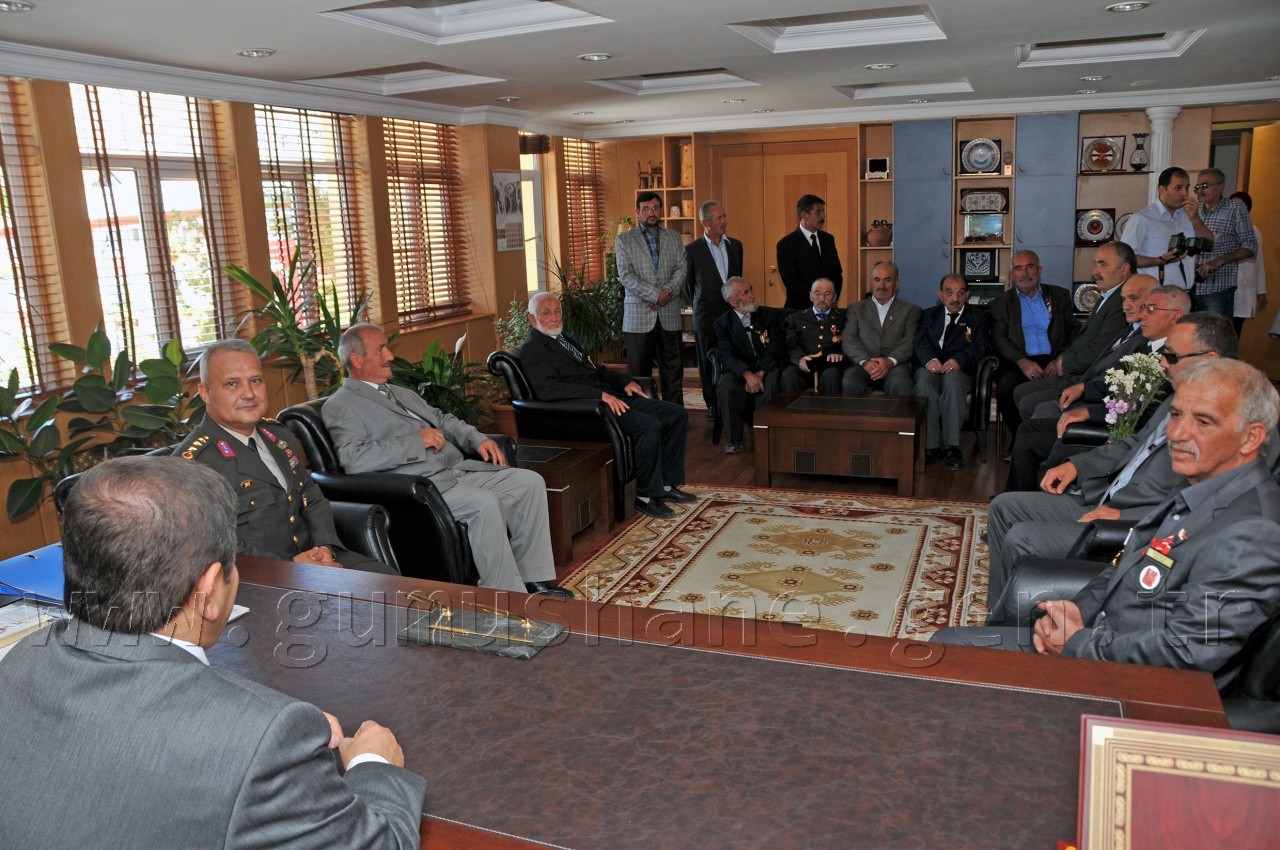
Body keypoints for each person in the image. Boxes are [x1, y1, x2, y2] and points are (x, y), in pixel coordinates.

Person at [0, 456, 426, 848]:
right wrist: (374, 765)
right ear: (208, 591)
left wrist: (268, 723)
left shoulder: (19, 662)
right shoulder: (263, 742)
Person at [937, 359, 1280, 694]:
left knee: (947, 653)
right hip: (1100, 642)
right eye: (1176, 415)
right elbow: (1126, 564)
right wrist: (1078, 608)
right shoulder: (1205, 487)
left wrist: (1077, 645)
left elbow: (1189, 651)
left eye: (1203, 422)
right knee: (946, 646)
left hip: (1126, 683)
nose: (1175, 433)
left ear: (1251, 438)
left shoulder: (1253, 531)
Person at [984, 312, 1241, 609]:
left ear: (1210, 359)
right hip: (1105, 496)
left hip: (1131, 523)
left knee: (1021, 538)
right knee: (1003, 507)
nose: (1162, 363)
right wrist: (1077, 466)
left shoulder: (1226, 423)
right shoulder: (1180, 395)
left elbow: (1202, 505)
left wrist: (1125, 516)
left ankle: (1020, 625)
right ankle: (1000, 613)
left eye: (1171, 356)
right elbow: (1134, 444)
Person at [324, 323, 570, 596]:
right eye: (381, 349)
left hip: (456, 470)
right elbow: (354, 459)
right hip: (423, 487)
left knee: (529, 483)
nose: (390, 355)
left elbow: (442, 419)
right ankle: (504, 596)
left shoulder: (399, 392)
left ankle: (534, 578)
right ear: (357, 360)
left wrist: (477, 439)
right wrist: (417, 441)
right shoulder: (340, 405)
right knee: (485, 504)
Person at [175, 339, 397, 575]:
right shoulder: (191, 466)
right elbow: (209, 546)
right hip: (261, 577)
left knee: (393, 584)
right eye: (232, 384)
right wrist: (291, 567)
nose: (249, 393)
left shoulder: (278, 436)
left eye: (255, 381)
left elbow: (311, 496)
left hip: (318, 559)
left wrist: (324, 545)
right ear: (205, 393)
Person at [520, 292, 693, 520]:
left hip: (610, 397)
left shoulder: (562, 339)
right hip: (590, 410)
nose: (554, 317)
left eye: (557, 311)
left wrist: (625, 381)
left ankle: (666, 485)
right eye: (546, 313)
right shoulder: (533, 349)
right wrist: (600, 395)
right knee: (649, 426)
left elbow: (596, 371)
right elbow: (549, 390)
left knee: (676, 414)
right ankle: (645, 497)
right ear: (532, 319)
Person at [1003, 284, 1188, 492]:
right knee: (1027, 428)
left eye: (1151, 309)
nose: (1143, 314)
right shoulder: (1147, 346)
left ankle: (1025, 500)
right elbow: (1117, 383)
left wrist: (1089, 412)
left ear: (1176, 316)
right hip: (1108, 413)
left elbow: (1143, 413)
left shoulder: (1172, 359)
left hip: (1119, 435)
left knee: (1029, 442)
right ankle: (1015, 496)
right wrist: (1085, 389)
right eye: (1144, 307)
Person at [1010, 242, 1135, 422]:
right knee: (1019, 392)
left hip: (1086, 376)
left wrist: (1063, 363)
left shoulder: (1122, 302)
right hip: (1071, 367)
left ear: (1124, 269)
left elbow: (1099, 349)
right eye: (1095, 263)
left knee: (1029, 402)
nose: (1094, 271)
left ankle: (1039, 435)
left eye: (1102, 264)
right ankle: (1031, 434)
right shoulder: (1108, 296)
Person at [985, 250, 1077, 436]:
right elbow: (999, 338)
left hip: (1054, 358)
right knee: (1006, 387)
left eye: (1030, 267)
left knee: (1074, 381)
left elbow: (1073, 330)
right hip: (1019, 360)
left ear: (1039, 270)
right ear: (1012, 274)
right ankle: (1020, 436)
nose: (1024, 273)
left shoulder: (1060, 296)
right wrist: (1022, 361)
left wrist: (1060, 358)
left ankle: (1053, 436)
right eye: (1018, 268)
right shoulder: (1000, 303)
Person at [615, 191, 688, 405]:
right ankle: (643, 415)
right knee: (639, 374)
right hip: (638, 317)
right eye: (646, 209)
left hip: (669, 314)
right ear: (638, 212)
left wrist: (666, 294)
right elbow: (626, 275)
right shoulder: (624, 240)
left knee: (673, 371)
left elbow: (681, 269)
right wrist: (656, 295)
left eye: (655, 208)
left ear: (661, 210)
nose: (651, 213)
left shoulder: (674, 238)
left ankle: (675, 415)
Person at [913, 273, 989, 471]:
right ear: (940, 295)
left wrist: (959, 361)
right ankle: (930, 447)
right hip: (931, 366)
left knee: (953, 384)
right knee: (923, 383)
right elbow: (919, 341)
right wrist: (930, 360)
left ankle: (952, 447)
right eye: (949, 292)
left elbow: (981, 346)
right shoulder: (928, 315)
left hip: (959, 369)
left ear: (967, 295)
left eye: (960, 293)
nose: (955, 298)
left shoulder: (978, 317)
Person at [713, 277, 786, 454]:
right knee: (726, 385)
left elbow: (776, 346)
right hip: (739, 370)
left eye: (751, 289)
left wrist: (760, 372)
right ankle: (734, 440)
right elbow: (725, 355)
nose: (752, 295)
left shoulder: (769, 315)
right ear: (732, 301)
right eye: (746, 293)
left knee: (772, 382)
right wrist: (747, 374)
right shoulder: (722, 323)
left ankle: (767, 436)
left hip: (766, 367)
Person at [686, 200, 743, 422]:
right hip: (706, 315)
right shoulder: (692, 250)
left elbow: (737, 281)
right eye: (719, 218)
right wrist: (702, 302)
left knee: (733, 356)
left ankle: (732, 402)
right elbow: (688, 287)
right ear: (706, 222)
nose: (724, 221)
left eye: (724, 216)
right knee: (707, 361)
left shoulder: (736, 246)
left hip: (731, 314)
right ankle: (712, 405)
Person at [1124, 166, 1213, 291]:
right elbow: (1126, 258)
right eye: (1178, 188)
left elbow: (1210, 243)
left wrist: (1195, 219)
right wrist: (1160, 260)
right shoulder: (1142, 218)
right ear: (1162, 189)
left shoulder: (1187, 215)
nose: (1185, 193)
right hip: (1154, 294)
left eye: (1187, 187)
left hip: (1185, 293)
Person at [841, 260, 921, 396]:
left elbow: (910, 340)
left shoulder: (911, 310)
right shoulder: (855, 309)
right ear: (870, 282)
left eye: (887, 280)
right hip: (863, 364)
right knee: (850, 381)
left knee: (900, 382)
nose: (881, 285)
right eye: (877, 280)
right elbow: (849, 339)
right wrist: (865, 362)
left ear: (897, 283)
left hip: (896, 365)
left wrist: (890, 361)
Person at [1191, 167, 1258, 319]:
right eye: (1197, 186)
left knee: (1217, 331)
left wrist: (1219, 261)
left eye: (1205, 186)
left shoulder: (1235, 209)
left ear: (1220, 186)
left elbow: (1250, 246)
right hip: (1191, 285)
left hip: (1219, 287)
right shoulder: (1195, 211)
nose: (1200, 190)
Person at [776, 193, 843, 310]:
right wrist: (818, 300)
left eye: (823, 211)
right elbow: (792, 282)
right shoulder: (786, 244)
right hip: (800, 310)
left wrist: (830, 298)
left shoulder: (828, 239)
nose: (823, 216)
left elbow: (837, 273)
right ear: (805, 215)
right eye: (818, 212)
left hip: (828, 307)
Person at [781, 277, 847, 394]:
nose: (822, 298)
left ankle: (830, 407)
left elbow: (849, 343)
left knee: (831, 376)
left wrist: (840, 355)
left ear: (834, 297)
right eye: (817, 293)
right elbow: (791, 344)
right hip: (803, 365)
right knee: (789, 374)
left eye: (827, 294)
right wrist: (799, 359)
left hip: (830, 366)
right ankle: (793, 407)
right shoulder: (795, 319)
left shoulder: (843, 319)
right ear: (810, 296)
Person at [1230, 191, 1267, 337]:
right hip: (1222, 292)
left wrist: (1261, 291)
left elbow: (1258, 262)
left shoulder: (1254, 231)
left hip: (1244, 292)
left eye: (1241, 206)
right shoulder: (1220, 228)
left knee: (1235, 333)